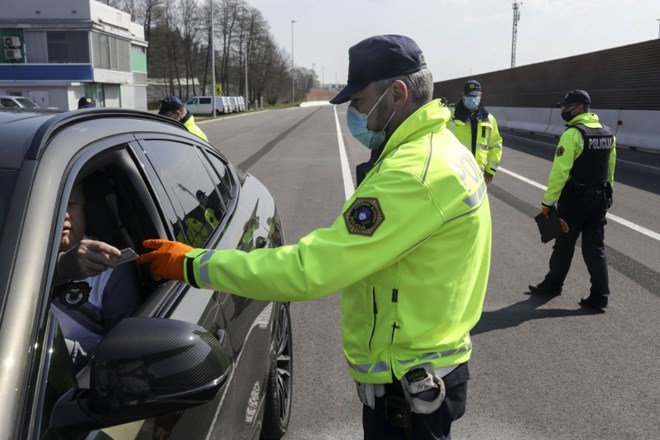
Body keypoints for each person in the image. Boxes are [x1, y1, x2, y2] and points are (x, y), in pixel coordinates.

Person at [138, 34, 491, 440]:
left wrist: (192, 263)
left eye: (359, 101)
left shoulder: (412, 174)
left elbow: (309, 270)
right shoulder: (443, 148)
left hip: (408, 388)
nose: (356, 113)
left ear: (397, 93)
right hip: (431, 364)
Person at [528, 90, 616, 312]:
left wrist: (548, 203)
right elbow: (611, 167)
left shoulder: (573, 134)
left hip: (575, 200)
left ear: (577, 108)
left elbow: (559, 173)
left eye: (566, 107)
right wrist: (609, 192)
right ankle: (600, 295)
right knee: (595, 247)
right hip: (599, 199)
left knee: (564, 245)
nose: (563, 111)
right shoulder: (607, 133)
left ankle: (553, 285)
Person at [51, 182, 142, 366]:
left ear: (85, 207)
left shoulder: (109, 265)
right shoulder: (11, 257)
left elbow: (125, 356)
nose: (64, 214)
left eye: (70, 203)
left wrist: (60, 354)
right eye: (52, 206)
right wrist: (60, 269)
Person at [448, 79, 503, 184]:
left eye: (474, 96)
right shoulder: (450, 115)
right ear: (463, 95)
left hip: (478, 176)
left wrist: (491, 169)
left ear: (480, 95)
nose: (471, 99)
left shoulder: (489, 120)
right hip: (454, 174)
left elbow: (496, 145)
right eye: (469, 96)